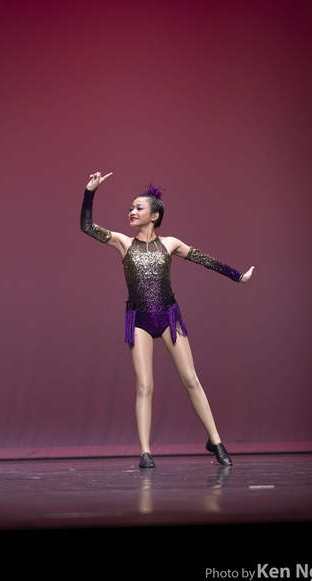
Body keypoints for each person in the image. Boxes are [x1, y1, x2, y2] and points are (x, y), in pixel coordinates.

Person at [80, 171, 254, 469]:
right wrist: (89, 191)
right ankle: (145, 452)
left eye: (139, 208)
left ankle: (215, 441)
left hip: (169, 317)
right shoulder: (123, 243)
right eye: (131, 208)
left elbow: (204, 259)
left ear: (155, 216)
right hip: (138, 320)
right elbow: (87, 227)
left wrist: (238, 276)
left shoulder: (170, 244)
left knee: (191, 379)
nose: (132, 211)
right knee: (144, 385)